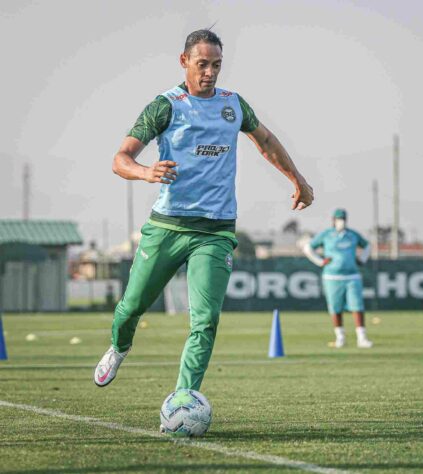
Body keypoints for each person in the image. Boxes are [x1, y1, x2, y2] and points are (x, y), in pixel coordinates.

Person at [94, 29, 314, 391]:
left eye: (216, 65)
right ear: (184, 62)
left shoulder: (234, 106)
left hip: (215, 231)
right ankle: (119, 347)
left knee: (206, 320)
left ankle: (184, 396)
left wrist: (298, 180)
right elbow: (120, 159)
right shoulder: (165, 106)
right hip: (167, 226)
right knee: (130, 308)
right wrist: (146, 172)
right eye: (202, 64)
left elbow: (267, 142)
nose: (210, 72)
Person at [303, 209, 373, 348]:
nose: (341, 221)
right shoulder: (326, 235)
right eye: (338, 218)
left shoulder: (352, 235)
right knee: (336, 307)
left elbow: (368, 245)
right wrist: (320, 261)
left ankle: (362, 338)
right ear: (333, 219)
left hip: (352, 275)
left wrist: (362, 259)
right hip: (332, 276)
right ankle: (340, 337)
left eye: (343, 218)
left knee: (357, 306)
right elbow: (308, 248)